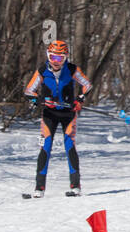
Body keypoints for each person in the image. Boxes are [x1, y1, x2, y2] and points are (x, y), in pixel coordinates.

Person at [22, 40, 93, 197]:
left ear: (65, 58)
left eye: (60, 58)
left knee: (69, 146)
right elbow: (28, 91)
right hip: (49, 115)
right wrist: (39, 99)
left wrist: (80, 100)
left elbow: (87, 85)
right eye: (53, 57)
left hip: (68, 114)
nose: (56, 62)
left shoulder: (72, 69)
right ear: (48, 56)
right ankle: (39, 188)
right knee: (45, 146)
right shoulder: (42, 71)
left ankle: (75, 186)